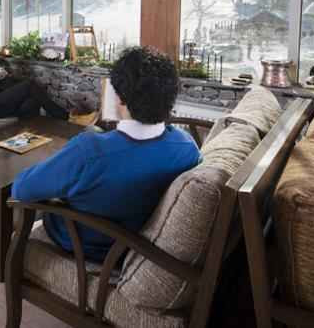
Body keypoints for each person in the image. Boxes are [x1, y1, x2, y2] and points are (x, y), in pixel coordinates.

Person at [11, 46, 201, 262]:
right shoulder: (187, 147)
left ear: (120, 98)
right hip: (138, 246)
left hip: (84, 245)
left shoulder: (89, 151)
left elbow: (21, 189)